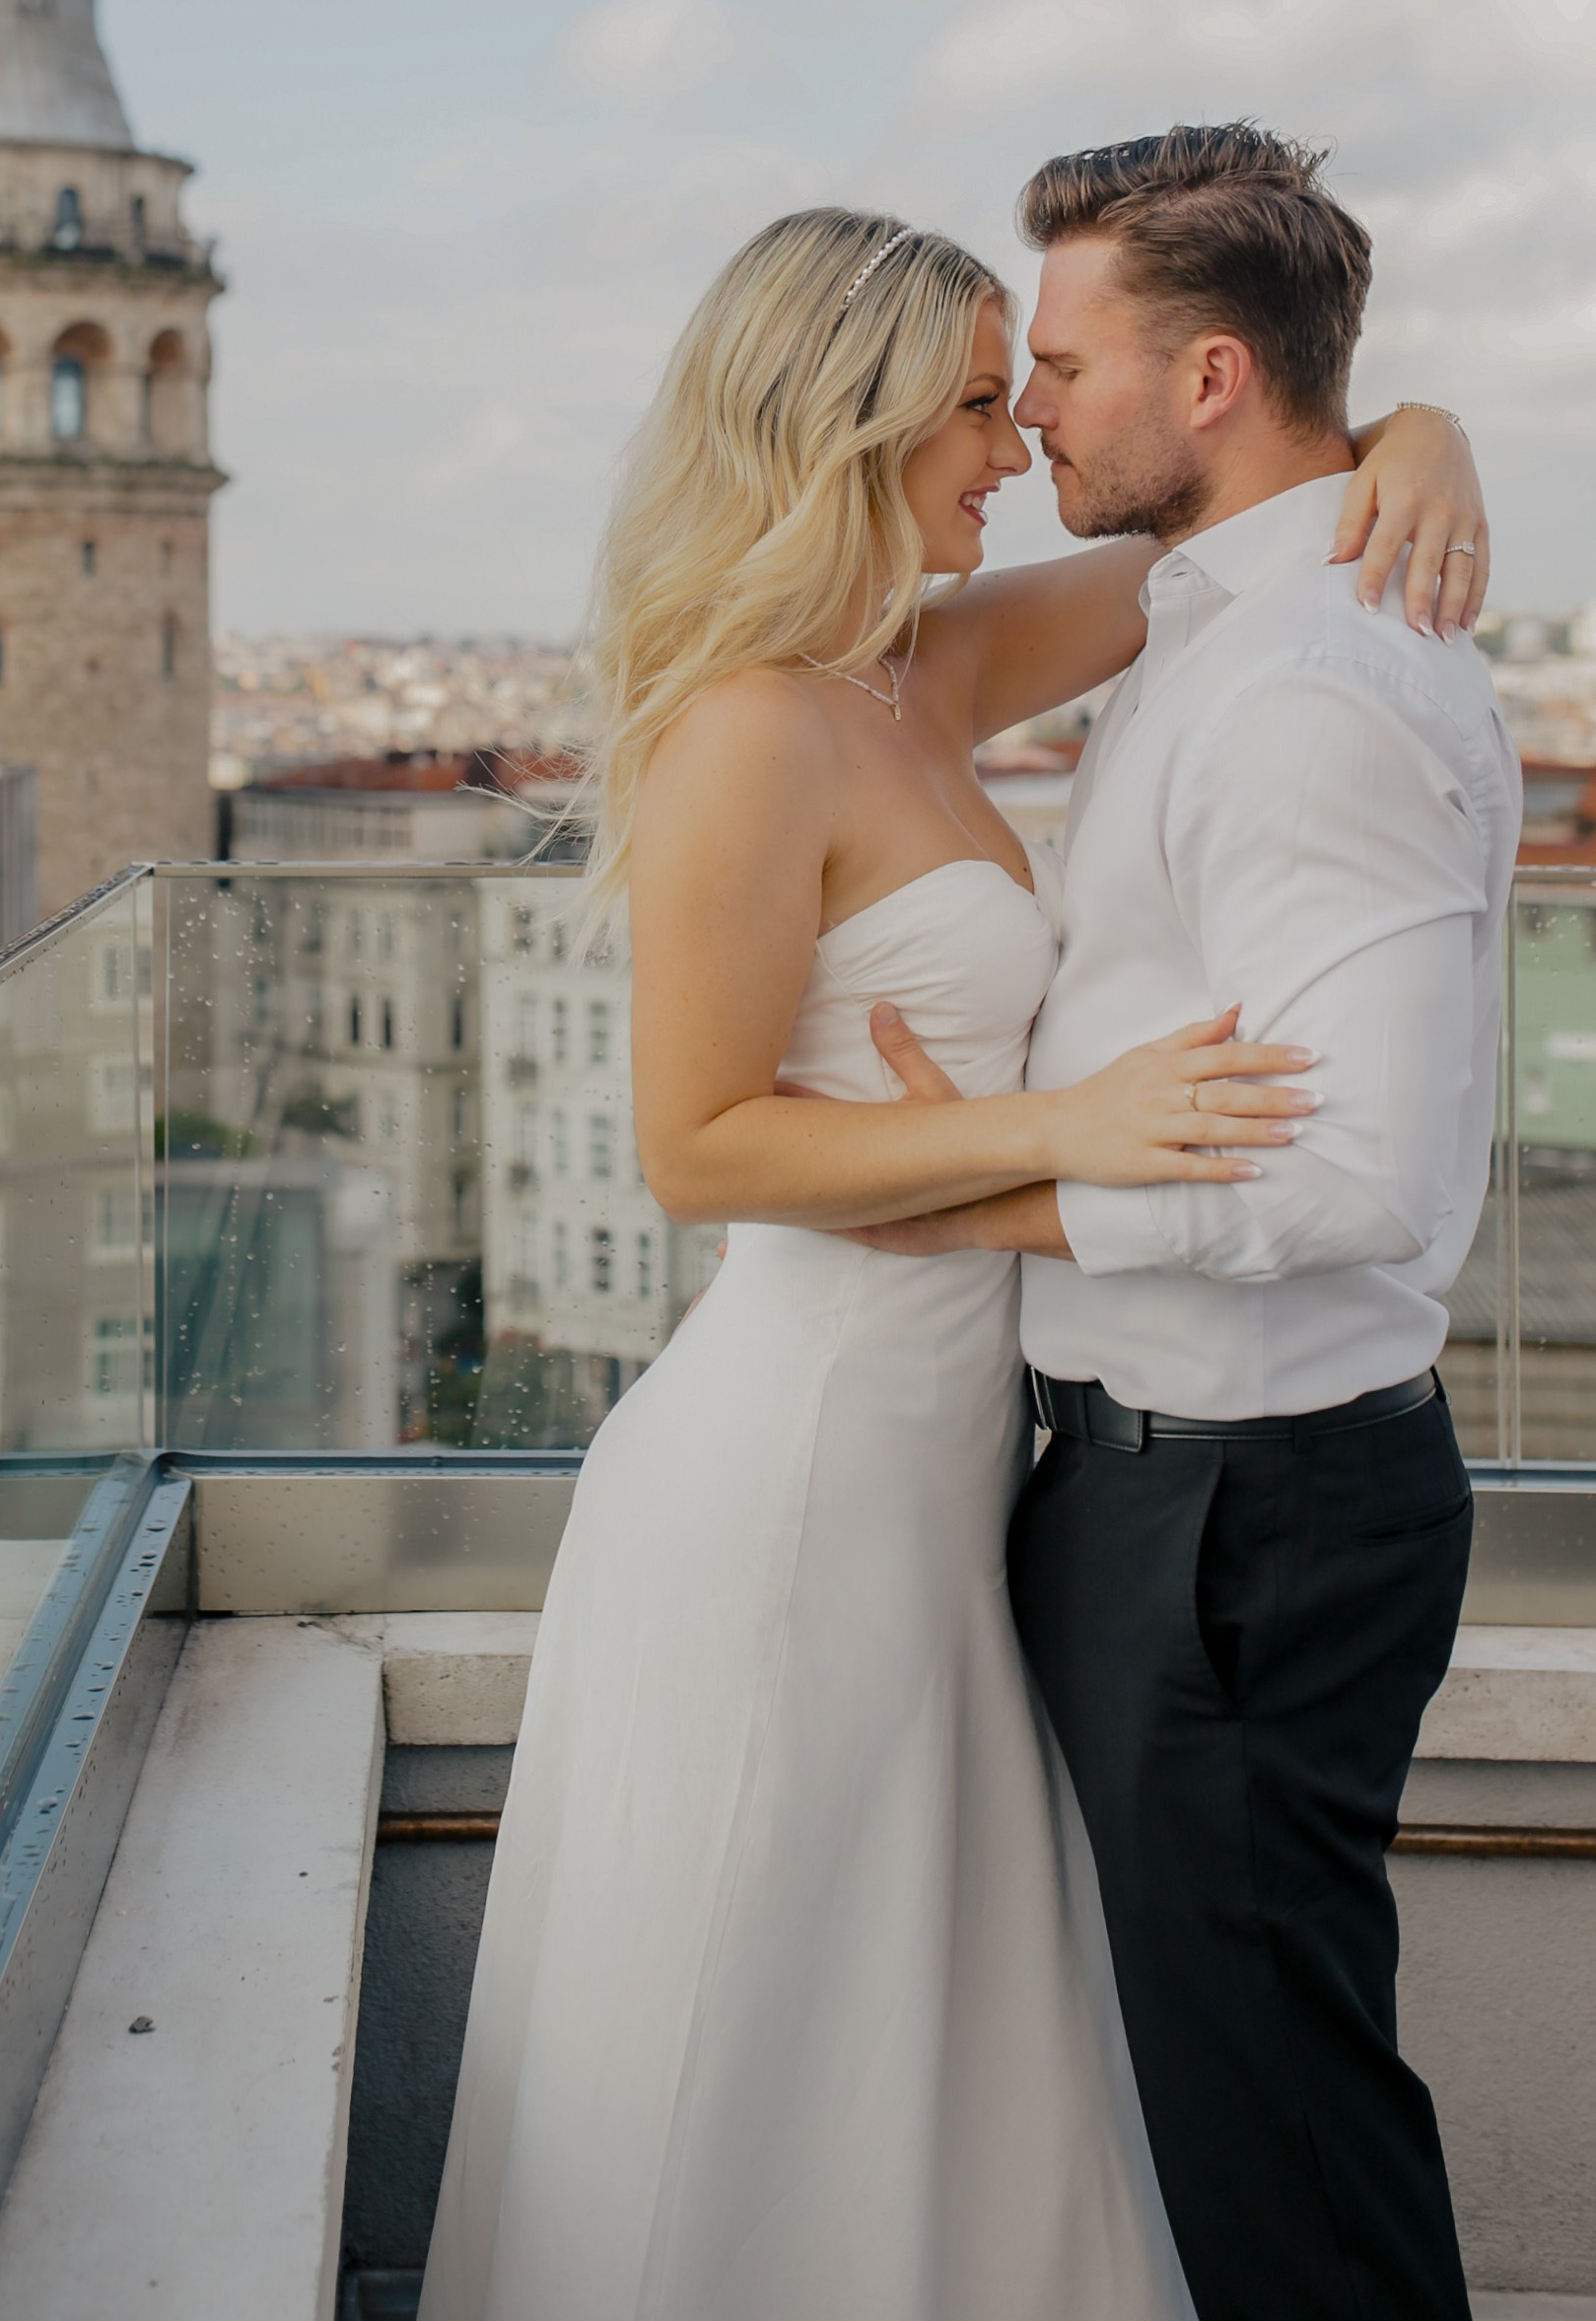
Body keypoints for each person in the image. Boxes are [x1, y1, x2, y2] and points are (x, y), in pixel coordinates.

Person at [418, 179, 1490, 2321]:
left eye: (1030, 391)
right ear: (849, 426)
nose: (1017, 447)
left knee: (920, 2005)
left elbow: (1245, 494)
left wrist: (1429, 429)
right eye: (983, 408)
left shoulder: (935, 658)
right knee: (752, 1990)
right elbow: (696, 1144)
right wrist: (1061, 1130)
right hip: (796, 1458)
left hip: (957, 1462)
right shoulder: (748, 724)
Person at [853, 126, 1516, 2321]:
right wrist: (1423, 426)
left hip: (1243, 1513)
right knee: (1232, 2099)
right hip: (1190, 1491)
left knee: (1278, 2140)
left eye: (1059, 359)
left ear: (1211, 377)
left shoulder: (1309, 682)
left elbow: (1365, 1181)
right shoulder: (1225, 615)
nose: (1029, 403)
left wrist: (998, 1196)